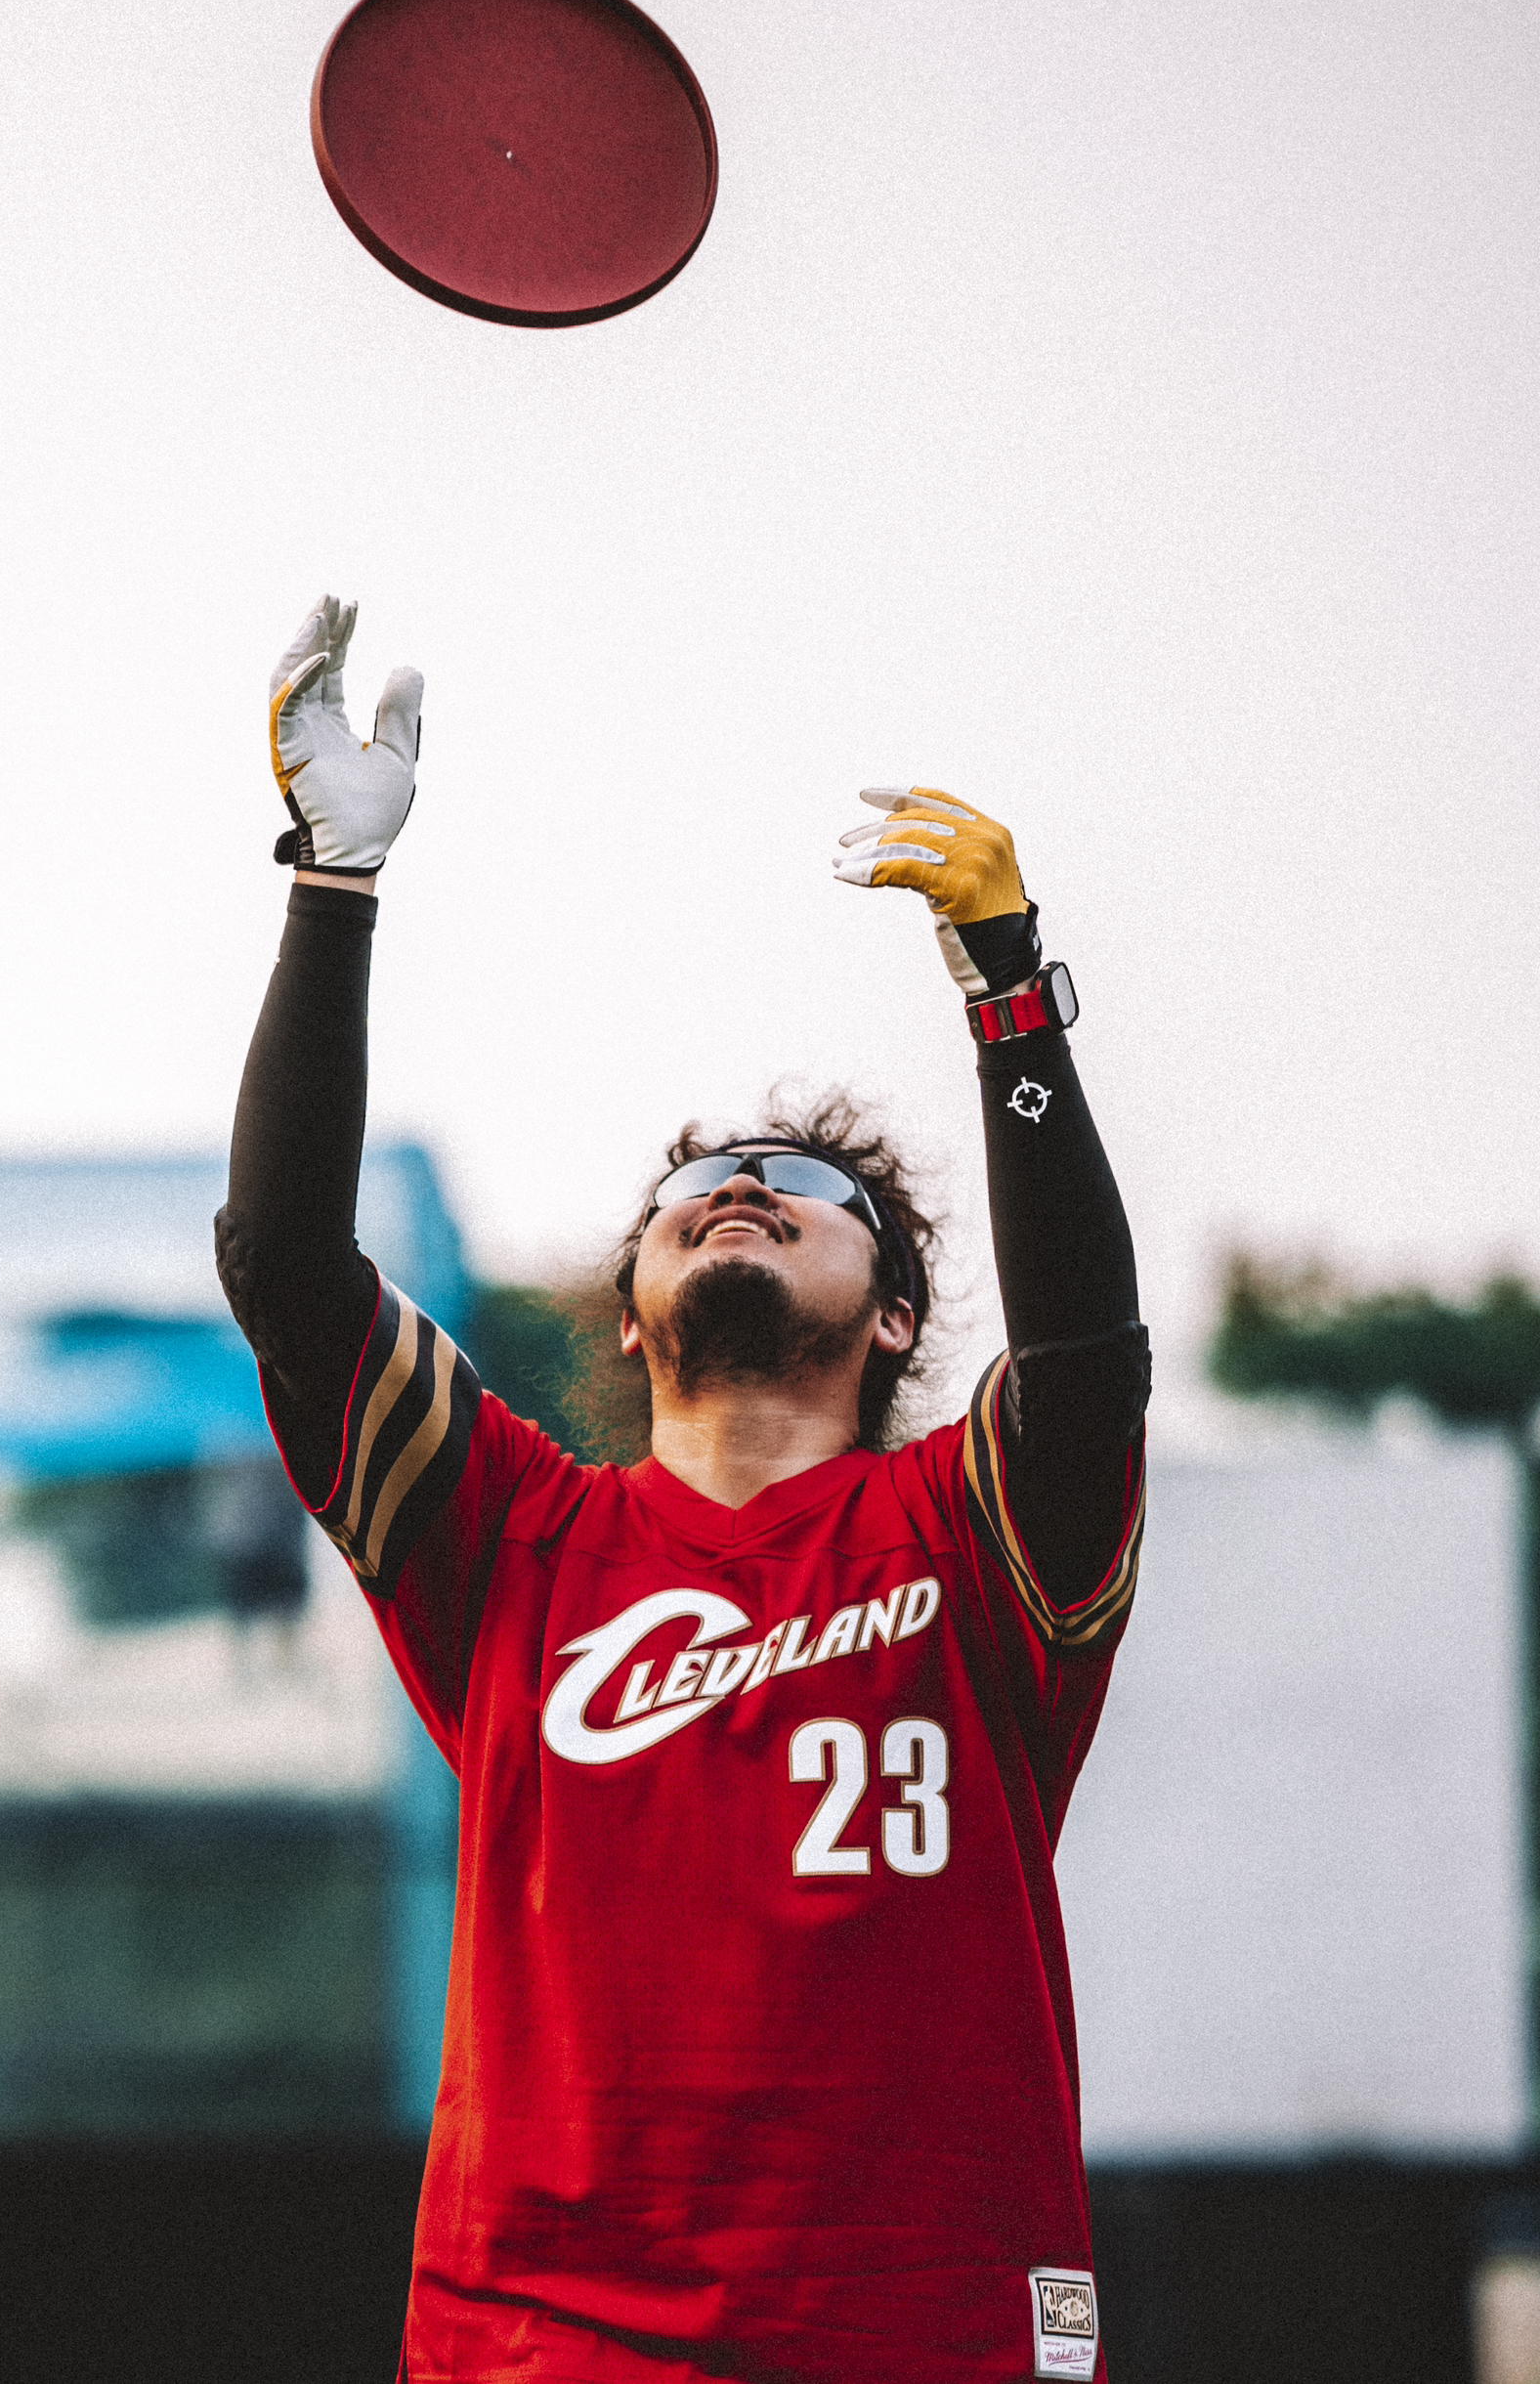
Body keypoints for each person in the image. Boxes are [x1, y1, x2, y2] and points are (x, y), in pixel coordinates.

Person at [217, 597, 1150, 2384]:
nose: (738, 1187)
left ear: (896, 1317)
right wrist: (331, 888)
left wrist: (1011, 995)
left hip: (925, 2331)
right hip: (549, 2338)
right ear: (634, 1319)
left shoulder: (978, 1533)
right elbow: (283, 1263)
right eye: (691, 1189)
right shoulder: (511, 1537)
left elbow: (1090, 1357)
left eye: (808, 1186)